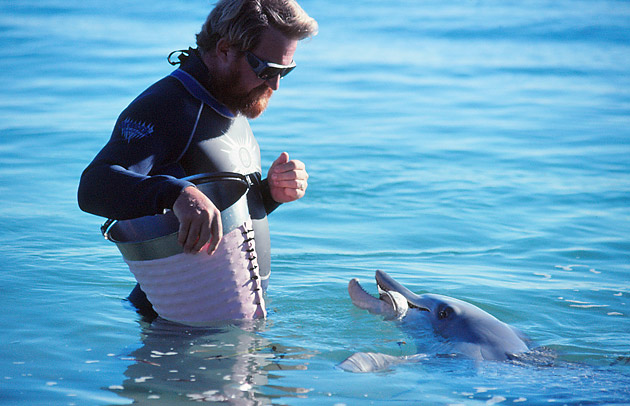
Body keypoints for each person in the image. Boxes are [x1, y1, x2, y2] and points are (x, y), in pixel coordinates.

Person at [78, 0, 318, 318]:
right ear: (224, 50)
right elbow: (93, 187)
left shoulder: (233, 102)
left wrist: (269, 195)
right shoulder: (168, 106)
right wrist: (176, 193)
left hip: (228, 322)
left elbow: (223, 219)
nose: (274, 84)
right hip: (175, 325)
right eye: (267, 69)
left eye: (285, 72)